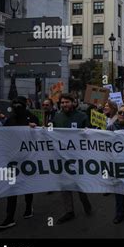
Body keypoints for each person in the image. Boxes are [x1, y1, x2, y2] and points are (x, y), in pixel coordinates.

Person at [0, 97, 39, 230]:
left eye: (20, 105)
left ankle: (28, 207)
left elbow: (40, 136)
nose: (17, 107)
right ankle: (9, 218)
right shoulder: (10, 119)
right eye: (15, 105)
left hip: (27, 158)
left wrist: (34, 128)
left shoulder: (32, 118)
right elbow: (2, 135)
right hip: (13, 159)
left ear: (25, 106)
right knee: (12, 188)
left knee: (27, 186)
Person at [53, 94, 93, 224]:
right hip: (62, 157)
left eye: (67, 102)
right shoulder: (57, 116)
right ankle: (69, 211)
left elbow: (90, 134)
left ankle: (85, 202)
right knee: (65, 185)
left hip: (78, 157)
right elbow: (50, 133)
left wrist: (88, 131)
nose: (64, 104)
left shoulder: (82, 116)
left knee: (79, 184)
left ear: (73, 102)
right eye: (62, 102)